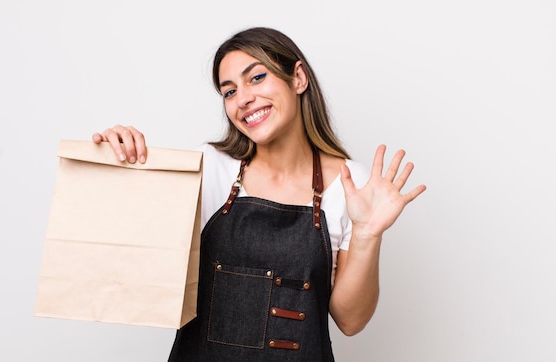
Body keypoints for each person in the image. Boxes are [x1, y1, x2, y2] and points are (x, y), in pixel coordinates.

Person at [92, 27, 426, 361]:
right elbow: (138, 263)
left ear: (298, 78)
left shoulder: (351, 184)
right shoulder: (208, 166)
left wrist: (367, 234)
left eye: (256, 78)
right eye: (229, 91)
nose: (243, 99)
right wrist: (118, 163)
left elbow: (351, 320)